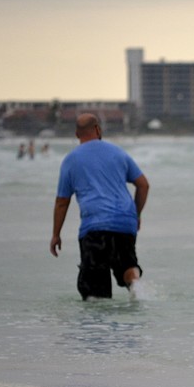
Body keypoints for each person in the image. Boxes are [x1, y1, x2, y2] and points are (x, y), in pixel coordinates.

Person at [50, 113, 150, 300]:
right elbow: (143, 185)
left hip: (94, 226)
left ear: (77, 134)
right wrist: (135, 214)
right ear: (97, 129)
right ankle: (135, 285)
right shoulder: (118, 153)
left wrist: (56, 234)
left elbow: (62, 202)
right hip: (124, 222)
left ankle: (98, 326)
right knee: (127, 264)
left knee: (95, 289)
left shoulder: (71, 160)